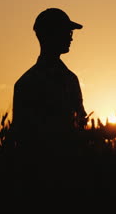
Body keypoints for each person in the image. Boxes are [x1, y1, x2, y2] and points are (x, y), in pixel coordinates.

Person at [12, 8, 88, 155]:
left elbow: (80, 125)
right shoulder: (29, 83)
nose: (71, 38)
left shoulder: (25, 82)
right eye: (67, 32)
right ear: (51, 35)